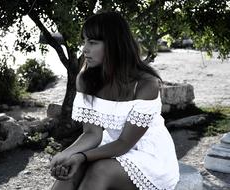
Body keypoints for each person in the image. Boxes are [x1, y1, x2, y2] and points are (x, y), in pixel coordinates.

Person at [50, 11, 180, 190]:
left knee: (99, 170)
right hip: (109, 146)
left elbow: (124, 143)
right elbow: (92, 134)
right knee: (68, 172)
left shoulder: (146, 84)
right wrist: (66, 155)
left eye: (93, 43)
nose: (85, 49)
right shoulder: (86, 80)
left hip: (147, 154)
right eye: (84, 41)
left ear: (113, 45)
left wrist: (81, 156)